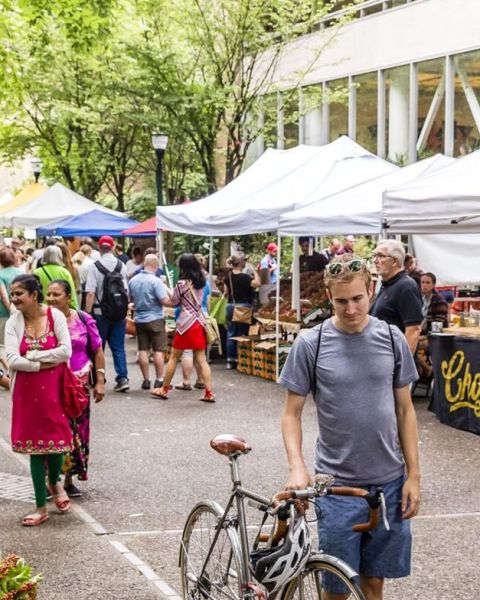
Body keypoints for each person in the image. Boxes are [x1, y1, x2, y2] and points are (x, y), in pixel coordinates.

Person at [279, 254, 420, 600]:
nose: (351, 308)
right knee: (338, 587)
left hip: (388, 483)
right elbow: (291, 414)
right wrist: (297, 467)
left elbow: (405, 411)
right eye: (341, 301)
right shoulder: (311, 343)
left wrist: (413, 476)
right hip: (337, 487)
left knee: (374, 583)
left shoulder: (391, 338)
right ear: (329, 297)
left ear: (371, 290)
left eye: (358, 298)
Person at [5, 274, 73, 526]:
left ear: (34, 295)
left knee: (57, 445)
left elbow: (66, 351)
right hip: (26, 391)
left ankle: (53, 481)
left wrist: (33, 355)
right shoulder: (13, 322)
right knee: (34, 449)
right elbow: (13, 359)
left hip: (54, 390)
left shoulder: (55, 317)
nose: (14, 299)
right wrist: (44, 362)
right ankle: (40, 507)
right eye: (12, 294)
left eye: (19, 293)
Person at [46, 279, 105, 497]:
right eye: (48, 294)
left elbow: (97, 351)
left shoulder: (83, 319)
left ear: (68, 297)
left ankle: (69, 479)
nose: (51, 299)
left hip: (78, 388)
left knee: (77, 433)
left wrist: (100, 381)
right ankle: (51, 480)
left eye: (56, 294)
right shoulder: (42, 321)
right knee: (52, 431)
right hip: (49, 386)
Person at [150, 253, 215, 402]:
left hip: (185, 325)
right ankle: (209, 393)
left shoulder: (182, 284)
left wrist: (167, 289)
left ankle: (164, 389)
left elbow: (174, 302)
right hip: (199, 323)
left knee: (174, 357)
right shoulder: (202, 282)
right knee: (202, 360)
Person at [85, 235, 130, 392]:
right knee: (118, 346)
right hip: (119, 312)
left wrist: (87, 313)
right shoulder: (121, 265)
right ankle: (122, 377)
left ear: (99, 247)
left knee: (98, 347)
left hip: (99, 312)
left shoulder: (94, 266)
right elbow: (125, 290)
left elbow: (90, 292)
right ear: (112, 246)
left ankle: (99, 378)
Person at [369, 240, 423, 355]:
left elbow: (413, 330)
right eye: (374, 256)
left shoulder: (406, 286)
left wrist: (403, 366)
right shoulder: (387, 284)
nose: (375, 260)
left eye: (380, 256)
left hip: (395, 363)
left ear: (394, 261)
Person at [128, 254, 170, 390]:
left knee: (143, 350)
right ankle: (159, 379)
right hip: (156, 319)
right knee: (159, 350)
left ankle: (146, 380)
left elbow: (131, 299)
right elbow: (163, 300)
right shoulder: (156, 281)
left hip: (139, 319)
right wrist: (173, 303)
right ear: (156, 266)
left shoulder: (133, 280)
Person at [225, 254, 260, 369]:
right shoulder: (245, 277)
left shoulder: (228, 277)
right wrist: (255, 271)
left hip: (230, 306)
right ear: (240, 262)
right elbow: (257, 283)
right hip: (243, 307)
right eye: (244, 260)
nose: (245, 262)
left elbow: (226, 293)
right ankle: (241, 359)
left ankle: (230, 360)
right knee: (241, 334)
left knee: (230, 333)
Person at [33, 245, 78, 310]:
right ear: (60, 257)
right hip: (61, 309)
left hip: (42, 310)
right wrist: (74, 309)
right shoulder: (65, 272)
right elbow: (72, 294)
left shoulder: (36, 272)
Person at [0, 248, 23, 347]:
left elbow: (4, 296)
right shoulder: (21, 273)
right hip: (21, 311)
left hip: (4, 313)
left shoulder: (0, 274)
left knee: (4, 344)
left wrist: (10, 310)